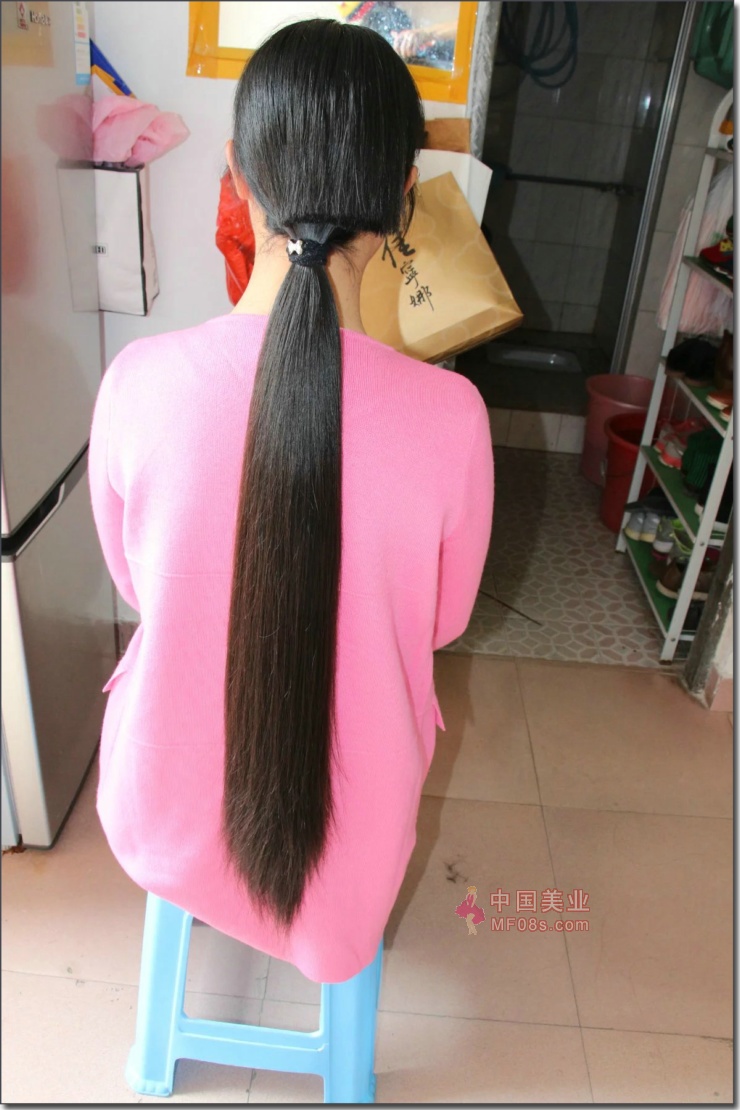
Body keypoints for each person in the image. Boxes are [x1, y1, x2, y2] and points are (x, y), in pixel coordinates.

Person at [88, 18, 493, 985]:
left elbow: (137, 584)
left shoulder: (140, 381)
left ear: (236, 174)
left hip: (161, 810)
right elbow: (440, 624)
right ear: (403, 196)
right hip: (348, 849)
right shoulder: (453, 418)